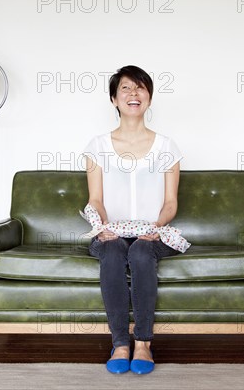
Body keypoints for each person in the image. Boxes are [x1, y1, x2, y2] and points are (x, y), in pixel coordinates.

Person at [83, 65, 182, 375]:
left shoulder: (167, 146)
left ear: (149, 98)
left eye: (140, 88)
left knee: (140, 251)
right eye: (125, 88)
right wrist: (102, 228)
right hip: (110, 233)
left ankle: (143, 343)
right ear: (114, 99)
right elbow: (95, 200)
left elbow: (170, 202)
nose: (133, 94)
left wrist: (155, 229)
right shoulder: (97, 146)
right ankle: (120, 343)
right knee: (112, 252)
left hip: (152, 234)